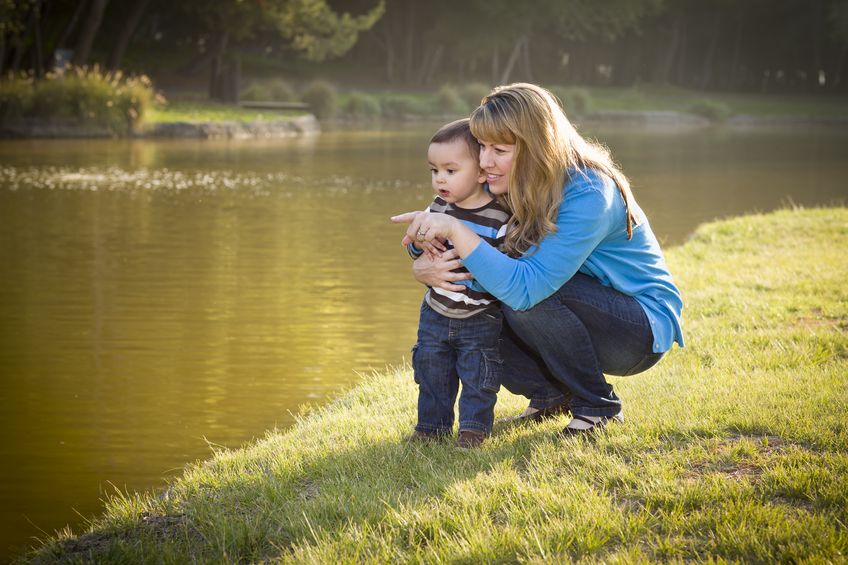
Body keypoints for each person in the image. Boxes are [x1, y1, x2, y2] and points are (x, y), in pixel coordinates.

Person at [392, 83, 684, 436]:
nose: (485, 161)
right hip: (573, 301)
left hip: (637, 330)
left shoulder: (590, 191)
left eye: (500, 149)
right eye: (482, 147)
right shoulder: (509, 181)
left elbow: (526, 288)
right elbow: (469, 249)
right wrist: (424, 264)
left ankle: (598, 407)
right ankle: (549, 395)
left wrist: (455, 230)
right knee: (477, 306)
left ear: (537, 147)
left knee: (523, 295)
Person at [405, 118, 511, 449]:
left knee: (478, 373)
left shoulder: (499, 217)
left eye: (451, 171)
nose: (439, 179)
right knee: (431, 368)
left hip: (480, 315)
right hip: (435, 311)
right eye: (434, 170)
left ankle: (473, 430)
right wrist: (418, 246)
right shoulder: (436, 207)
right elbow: (414, 247)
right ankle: (431, 427)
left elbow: (503, 267)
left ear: (480, 172)